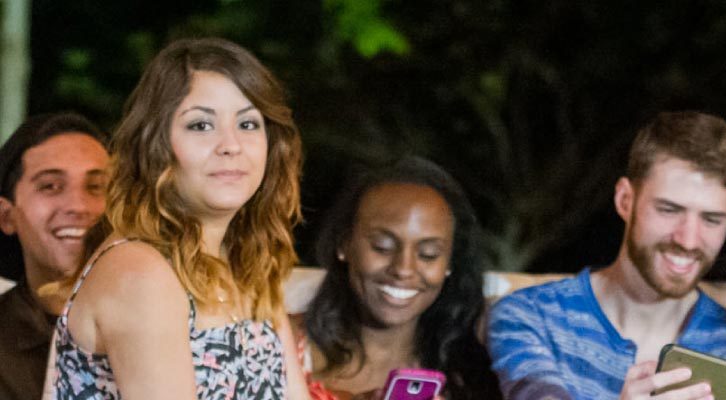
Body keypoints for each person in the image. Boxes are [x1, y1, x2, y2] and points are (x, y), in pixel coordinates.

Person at [49, 38, 309, 399]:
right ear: (156, 147)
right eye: (201, 126)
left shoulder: (245, 265)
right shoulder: (140, 271)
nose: (230, 145)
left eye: (248, 124)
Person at [487, 111, 726, 399]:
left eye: (712, 219)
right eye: (669, 210)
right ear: (624, 200)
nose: (689, 240)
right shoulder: (530, 317)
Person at [294, 157, 501, 400]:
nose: (403, 269)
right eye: (383, 247)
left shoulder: (476, 368)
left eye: (428, 254)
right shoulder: (276, 345)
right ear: (344, 243)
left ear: (450, 263)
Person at [0, 113, 109, 400]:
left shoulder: (169, 320)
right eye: (50, 186)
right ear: (6, 215)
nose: (78, 205)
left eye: (96, 187)